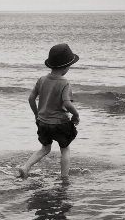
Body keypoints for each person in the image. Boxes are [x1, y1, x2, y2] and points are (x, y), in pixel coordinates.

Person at [18, 43, 80, 180]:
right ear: (66, 67)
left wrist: (36, 114)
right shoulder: (65, 83)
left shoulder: (42, 80)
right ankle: (64, 177)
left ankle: (26, 167)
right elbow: (67, 103)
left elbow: (31, 98)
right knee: (65, 149)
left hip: (43, 122)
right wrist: (76, 115)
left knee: (45, 148)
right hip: (60, 123)